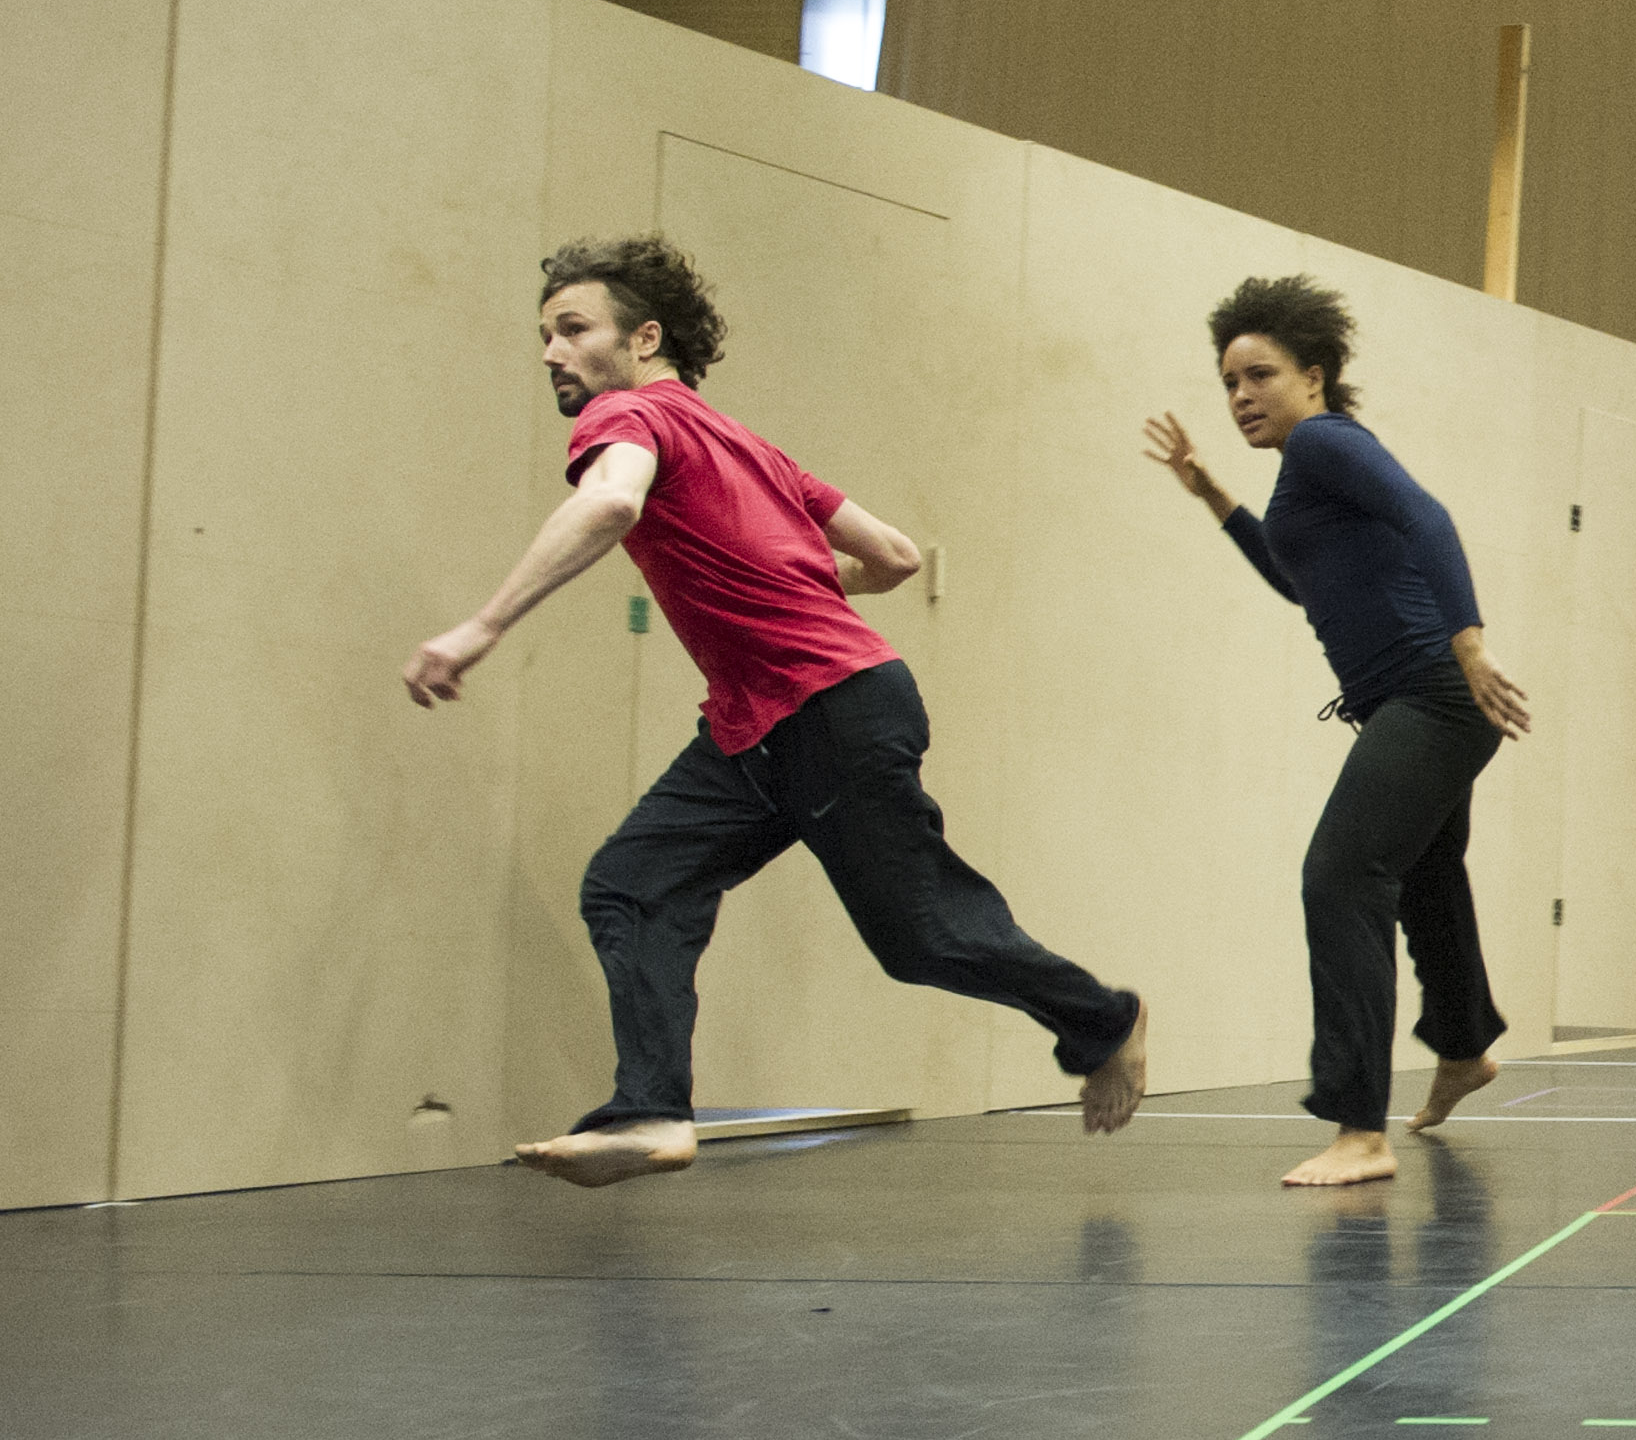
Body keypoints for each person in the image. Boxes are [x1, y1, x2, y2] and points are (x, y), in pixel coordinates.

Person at [403, 236, 1148, 1184]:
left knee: (921, 935)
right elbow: (895, 558)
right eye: (544, 334)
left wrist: (480, 627)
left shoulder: (626, 417)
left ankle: (1103, 1018)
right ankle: (651, 1112)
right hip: (755, 726)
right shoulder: (745, 443)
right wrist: (791, 577)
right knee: (634, 883)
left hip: (826, 707)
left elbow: (610, 507)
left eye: (573, 328)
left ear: (645, 340)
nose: (551, 350)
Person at [1142, 275, 1530, 1187]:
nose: (1241, 396)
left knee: (1341, 874)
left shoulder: (1322, 440)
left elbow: (1427, 516)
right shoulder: (1305, 469)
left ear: (1313, 376)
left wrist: (1470, 645)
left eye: (1260, 375)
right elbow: (1295, 579)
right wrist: (1208, 489)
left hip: (1431, 691)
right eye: (1229, 381)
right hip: (1422, 698)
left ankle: (1360, 1126)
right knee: (1425, 876)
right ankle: (1466, 1045)